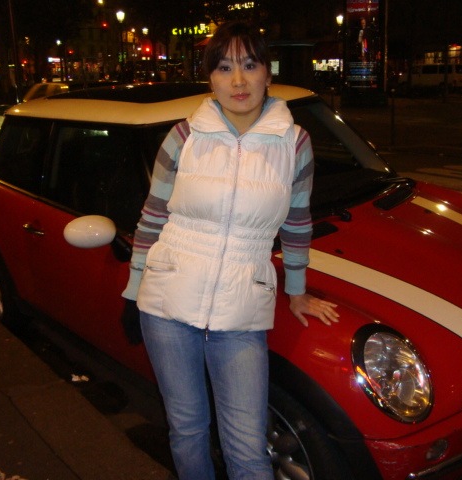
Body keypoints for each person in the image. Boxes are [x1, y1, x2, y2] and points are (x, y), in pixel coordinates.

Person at [121, 20, 339, 480]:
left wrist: (297, 291)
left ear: (267, 72)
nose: (238, 80)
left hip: (242, 310)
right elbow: (153, 216)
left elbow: (297, 223)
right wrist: (133, 290)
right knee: (187, 429)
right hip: (167, 301)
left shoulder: (295, 142)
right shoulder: (183, 136)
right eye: (224, 67)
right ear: (210, 78)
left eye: (249, 65)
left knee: (246, 446)